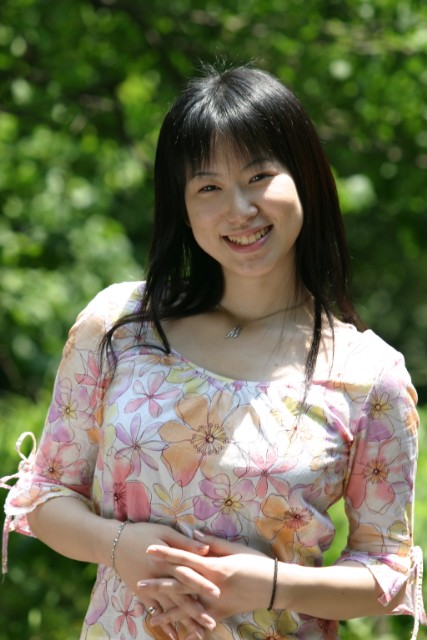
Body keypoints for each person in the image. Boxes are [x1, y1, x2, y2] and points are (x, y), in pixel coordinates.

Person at [1, 64, 425, 640]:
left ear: (306, 179)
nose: (239, 209)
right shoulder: (120, 325)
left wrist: (270, 585)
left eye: (259, 176)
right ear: (182, 206)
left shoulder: (369, 375)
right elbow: (45, 493)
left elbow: (389, 574)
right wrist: (120, 546)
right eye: (208, 188)